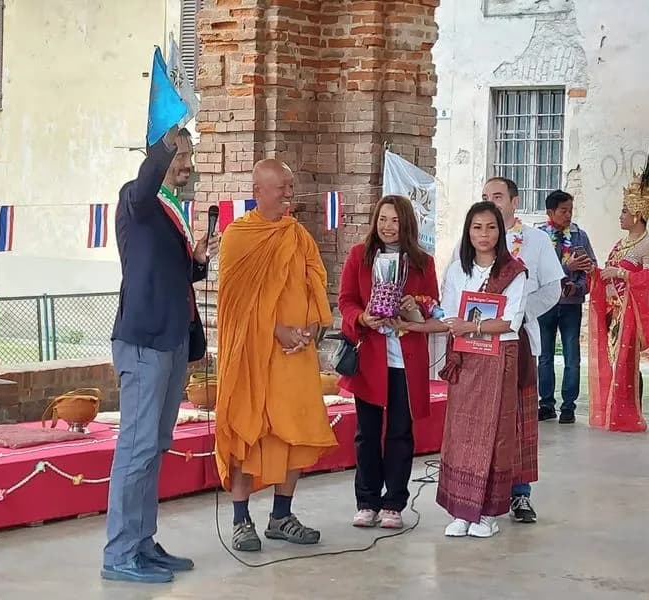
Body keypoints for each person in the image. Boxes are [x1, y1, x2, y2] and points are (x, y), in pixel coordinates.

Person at [103, 127, 219, 584]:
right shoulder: (138, 196)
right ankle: (118, 553)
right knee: (135, 449)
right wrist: (166, 136)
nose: (186, 164)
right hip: (143, 341)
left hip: (171, 341)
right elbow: (149, 176)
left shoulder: (172, 209)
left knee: (154, 447)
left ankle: (142, 542)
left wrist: (198, 260)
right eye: (179, 155)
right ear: (159, 155)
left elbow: (169, 273)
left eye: (189, 154)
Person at [215, 159, 338, 552]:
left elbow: (316, 283)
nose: (289, 193)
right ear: (259, 190)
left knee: (297, 429)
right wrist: (275, 329)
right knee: (249, 429)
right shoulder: (238, 236)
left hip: (296, 355)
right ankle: (240, 520)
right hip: (254, 354)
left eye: (290, 185)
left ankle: (281, 516)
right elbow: (234, 304)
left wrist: (311, 329)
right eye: (281, 186)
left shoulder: (297, 235)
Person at [338, 195, 448, 530]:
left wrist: (413, 307)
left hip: (406, 357)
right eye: (383, 219)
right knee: (366, 434)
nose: (388, 227)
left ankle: (394, 503)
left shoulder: (422, 262)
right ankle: (366, 500)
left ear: (407, 224)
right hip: (371, 356)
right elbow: (345, 301)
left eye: (395, 221)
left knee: (401, 432)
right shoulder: (360, 255)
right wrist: (362, 318)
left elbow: (433, 305)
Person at [437, 201, 528, 538]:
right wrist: (457, 325)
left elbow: (510, 321)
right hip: (465, 357)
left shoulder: (514, 272)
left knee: (493, 433)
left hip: (498, 358)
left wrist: (470, 326)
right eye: (477, 227)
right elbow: (447, 310)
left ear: (500, 232)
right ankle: (461, 510)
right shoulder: (458, 269)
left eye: (491, 227)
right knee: (461, 431)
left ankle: (487, 513)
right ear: (468, 231)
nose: (484, 234)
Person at [481, 177, 563, 524]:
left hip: (520, 337)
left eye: (497, 197)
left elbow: (553, 287)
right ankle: (482, 491)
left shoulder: (535, 240)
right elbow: (454, 281)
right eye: (485, 197)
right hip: (480, 340)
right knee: (484, 415)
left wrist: (520, 311)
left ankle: (520, 494)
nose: (491, 202)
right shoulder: (474, 236)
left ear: (515, 202)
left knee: (519, 418)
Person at [589, 149, 649, 433]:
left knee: (626, 363)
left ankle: (629, 413)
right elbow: (608, 273)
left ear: (638, 214)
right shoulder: (622, 244)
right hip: (613, 312)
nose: (620, 216)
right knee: (612, 360)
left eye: (624, 211)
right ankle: (613, 412)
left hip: (630, 314)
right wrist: (591, 272)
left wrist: (620, 273)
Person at [537, 190, 597, 424]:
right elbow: (540, 272)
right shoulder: (539, 237)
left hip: (571, 305)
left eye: (571, 210)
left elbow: (590, 268)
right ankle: (546, 404)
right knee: (544, 356)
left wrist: (578, 286)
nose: (568, 215)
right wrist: (565, 267)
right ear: (550, 212)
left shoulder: (580, 236)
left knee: (572, 356)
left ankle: (569, 406)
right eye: (563, 210)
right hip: (546, 304)